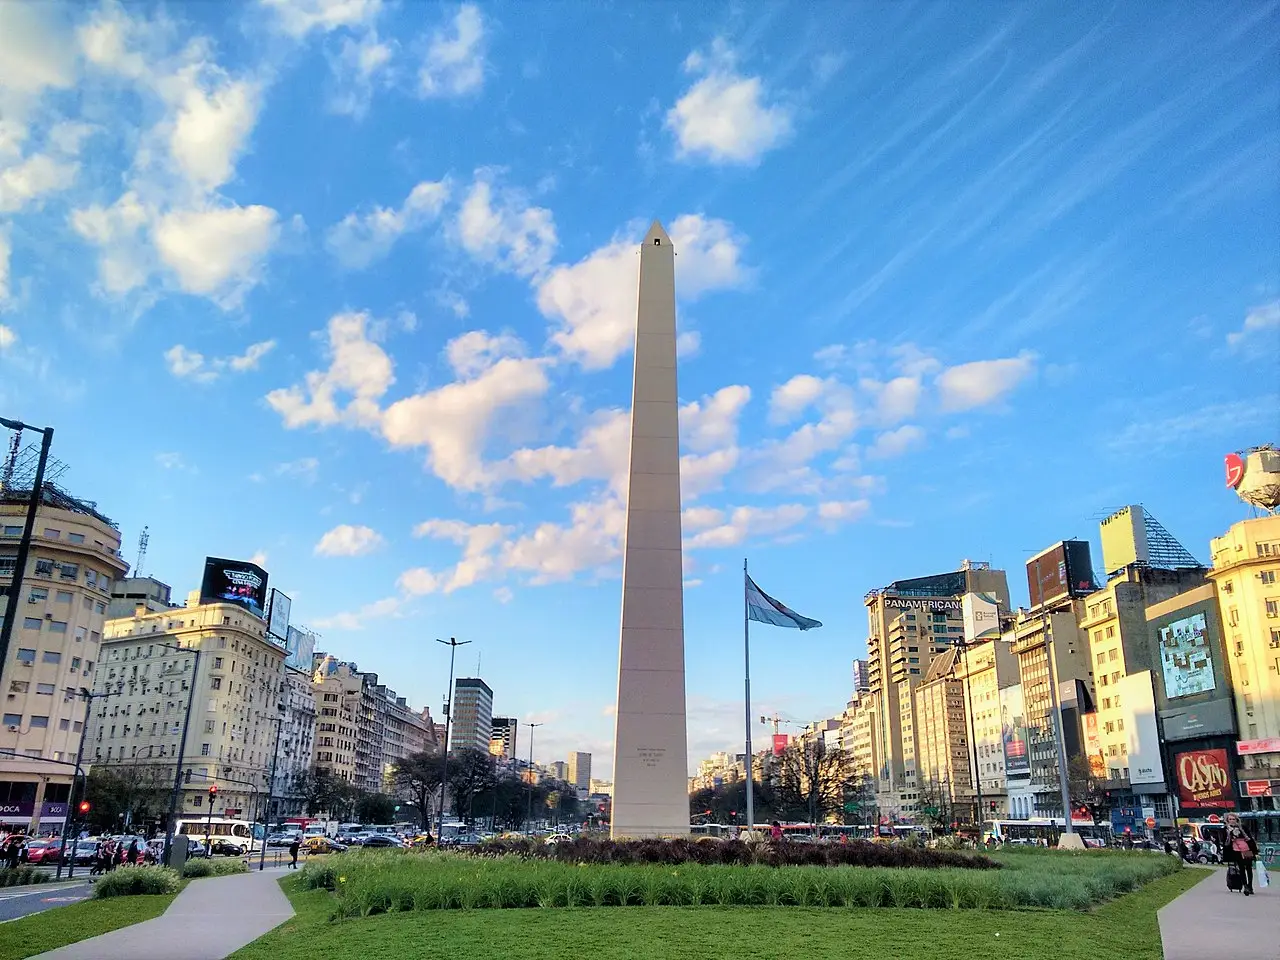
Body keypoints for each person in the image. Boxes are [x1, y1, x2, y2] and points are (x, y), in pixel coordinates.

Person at [1222, 813, 1259, 896]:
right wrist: (1230, 835)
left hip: (1246, 849)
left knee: (1249, 868)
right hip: (1236, 850)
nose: (1232, 821)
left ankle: (1250, 886)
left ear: (1236, 820)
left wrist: (1255, 851)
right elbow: (1225, 843)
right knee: (1241, 868)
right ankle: (1245, 886)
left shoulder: (1243, 827)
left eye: (1233, 819)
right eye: (1230, 819)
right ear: (1227, 821)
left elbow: (1249, 838)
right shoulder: (1226, 829)